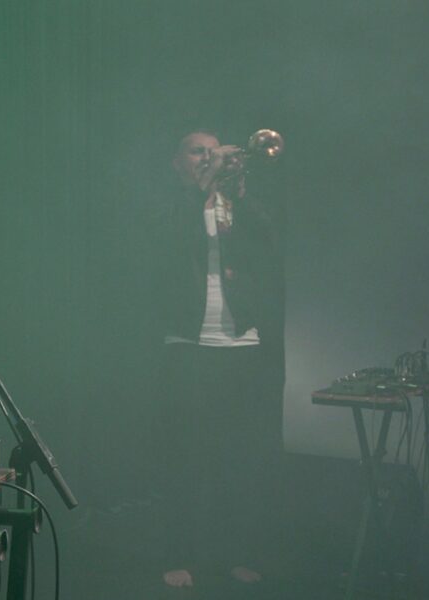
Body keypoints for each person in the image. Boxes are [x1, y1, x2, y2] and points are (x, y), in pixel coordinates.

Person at [153, 128, 285, 589]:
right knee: (186, 460)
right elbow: (165, 247)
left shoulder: (237, 207)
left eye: (214, 152)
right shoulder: (170, 206)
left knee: (239, 460)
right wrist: (202, 189)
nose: (208, 158)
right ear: (178, 162)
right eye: (198, 152)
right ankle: (180, 555)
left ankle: (236, 554)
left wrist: (241, 194)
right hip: (188, 347)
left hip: (241, 347)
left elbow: (270, 245)